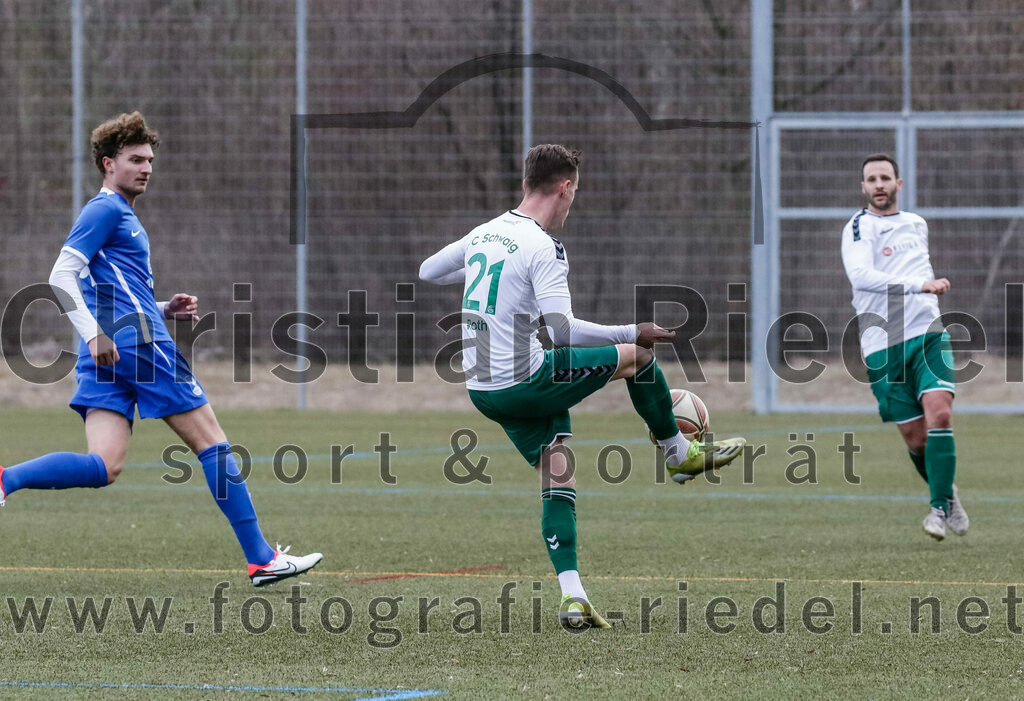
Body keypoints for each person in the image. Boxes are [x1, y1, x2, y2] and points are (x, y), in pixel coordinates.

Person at [419, 144, 745, 628]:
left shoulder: (486, 232)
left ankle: (573, 597)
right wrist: (630, 332)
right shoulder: (542, 246)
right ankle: (679, 453)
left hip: (483, 389)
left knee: (559, 471)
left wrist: (489, 274)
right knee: (638, 358)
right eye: (575, 193)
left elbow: (428, 271)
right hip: (526, 379)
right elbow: (564, 330)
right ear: (565, 186)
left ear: (528, 182)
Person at [0, 111, 322, 586]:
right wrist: (93, 332)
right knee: (212, 443)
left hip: (111, 350)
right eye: (135, 159)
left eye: (149, 159)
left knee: (104, 465)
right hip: (137, 347)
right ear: (108, 163)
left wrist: (162, 306)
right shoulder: (106, 210)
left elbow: (110, 290)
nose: (146, 167)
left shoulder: (120, 216)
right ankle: (261, 559)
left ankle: (6, 479)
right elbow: (60, 276)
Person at [841, 153, 968, 541]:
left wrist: (925, 292)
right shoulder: (859, 227)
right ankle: (948, 494)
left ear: (899, 183)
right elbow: (860, 276)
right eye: (871, 179)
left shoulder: (916, 224)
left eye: (885, 177)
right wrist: (919, 286)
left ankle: (937, 507)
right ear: (863, 187)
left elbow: (918, 268)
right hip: (883, 343)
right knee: (916, 439)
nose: (879, 184)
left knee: (940, 416)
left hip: (927, 331)